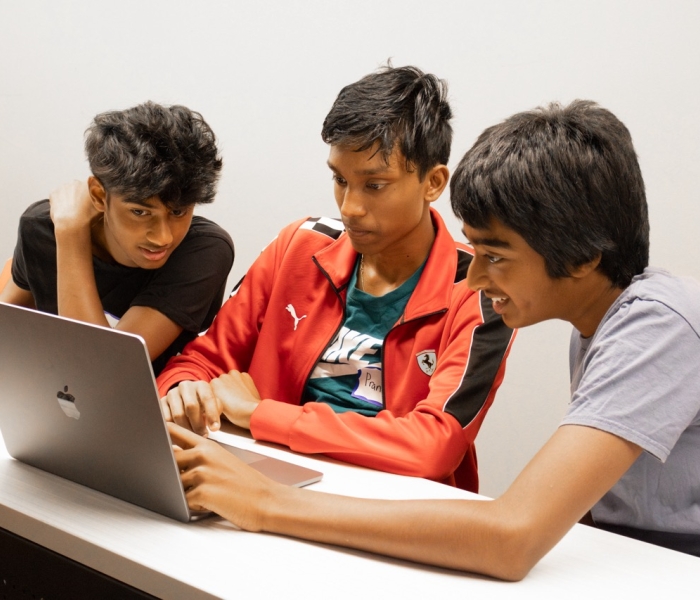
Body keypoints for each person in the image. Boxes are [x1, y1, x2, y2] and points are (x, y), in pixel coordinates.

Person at [167, 100, 700, 580]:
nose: (474, 279)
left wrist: (264, 503)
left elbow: (511, 537)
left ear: (584, 257)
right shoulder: (609, 322)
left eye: (495, 256)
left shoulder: (656, 326)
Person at [158, 66, 514, 490]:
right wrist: (185, 390)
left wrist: (259, 415)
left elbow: (432, 448)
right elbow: (201, 360)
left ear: (433, 182)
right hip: (265, 483)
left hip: (393, 510)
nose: (351, 207)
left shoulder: (482, 288)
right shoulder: (299, 245)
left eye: (375, 185)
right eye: (340, 180)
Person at [0, 102, 234, 374]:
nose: (163, 237)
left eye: (179, 212)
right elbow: (8, 335)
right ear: (100, 196)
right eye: (140, 211)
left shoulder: (205, 251)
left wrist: (72, 235)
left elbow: (99, 370)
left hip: (159, 412)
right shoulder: (42, 228)